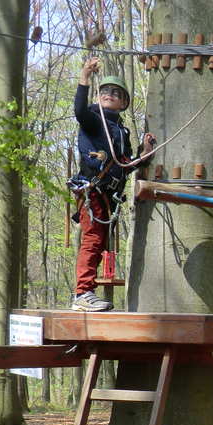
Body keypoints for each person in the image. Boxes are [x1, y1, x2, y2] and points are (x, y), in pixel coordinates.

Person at [70, 57, 156, 312]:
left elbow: (126, 163)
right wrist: (84, 76)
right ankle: (83, 293)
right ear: (98, 95)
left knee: (99, 240)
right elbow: (79, 111)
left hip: (108, 195)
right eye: (106, 91)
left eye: (116, 93)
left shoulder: (120, 131)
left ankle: (85, 292)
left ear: (124, 102)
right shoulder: (94, 120)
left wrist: (145, 152)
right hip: (92, 190)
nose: (110, 95)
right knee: (93, 239)